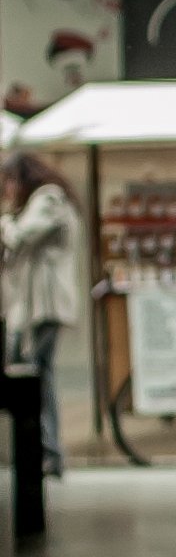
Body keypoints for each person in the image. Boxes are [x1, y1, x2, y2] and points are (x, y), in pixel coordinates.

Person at [1, 155, 78, 480]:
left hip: (44, 305)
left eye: (9, 181)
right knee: (36, 376)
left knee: (36, 378)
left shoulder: (48, 198)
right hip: (35, 306)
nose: (7, 189)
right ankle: (45, 452)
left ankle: (48, 452)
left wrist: (4, 220)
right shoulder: (46, 200)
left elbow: (20, 236)